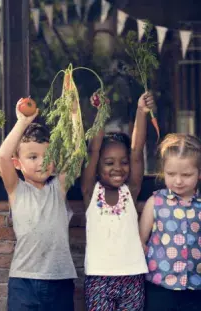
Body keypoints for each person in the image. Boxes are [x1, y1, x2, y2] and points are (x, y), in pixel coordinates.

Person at [0, 99, 77, 311]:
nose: (42, 162)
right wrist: (22, 122)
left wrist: (75, 115)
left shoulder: (58, 188)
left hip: (60, 280)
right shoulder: (16, 189)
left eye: (47, 156)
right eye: (32, 156)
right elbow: (2, 155)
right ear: (17, 162)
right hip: (24, 281)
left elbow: (77, 151)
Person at [81, 92, 155, 310]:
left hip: (132, 277)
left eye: (123, 162)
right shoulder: (90, 192)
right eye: (109, 162)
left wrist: (141, 112)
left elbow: (136, 152)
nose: (117, 168)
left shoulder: (129, 192)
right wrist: (100, 114)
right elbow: (93, 151)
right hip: (98, 279)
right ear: (98, 167)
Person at [139, 133, 201, 311]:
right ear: (162, 171)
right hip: (160, 285)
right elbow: (141, 241)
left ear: (199, 174)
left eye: (187, 174)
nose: (178, 180)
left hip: (195, 287)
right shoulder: (156, 202)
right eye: (171, 174)